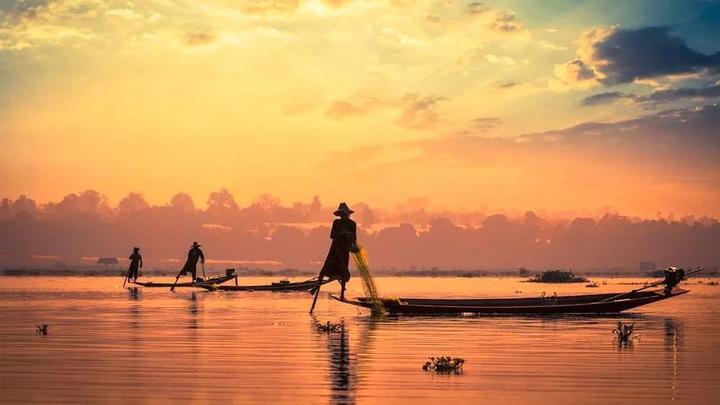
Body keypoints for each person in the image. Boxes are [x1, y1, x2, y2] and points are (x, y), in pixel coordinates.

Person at [317, 203, 357, 300]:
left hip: (344, 250)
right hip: (335, 249)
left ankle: (342, 294)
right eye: (341, 213)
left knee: (344, 270)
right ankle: (317, 286)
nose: (343, 215)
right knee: (326, 268)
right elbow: (332, 236)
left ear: (347, 213)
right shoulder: (336, 223)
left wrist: (349, 235)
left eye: (344, 213)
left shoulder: (352, 224)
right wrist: (341, 233)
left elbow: (354, 238)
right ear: (339, 214)